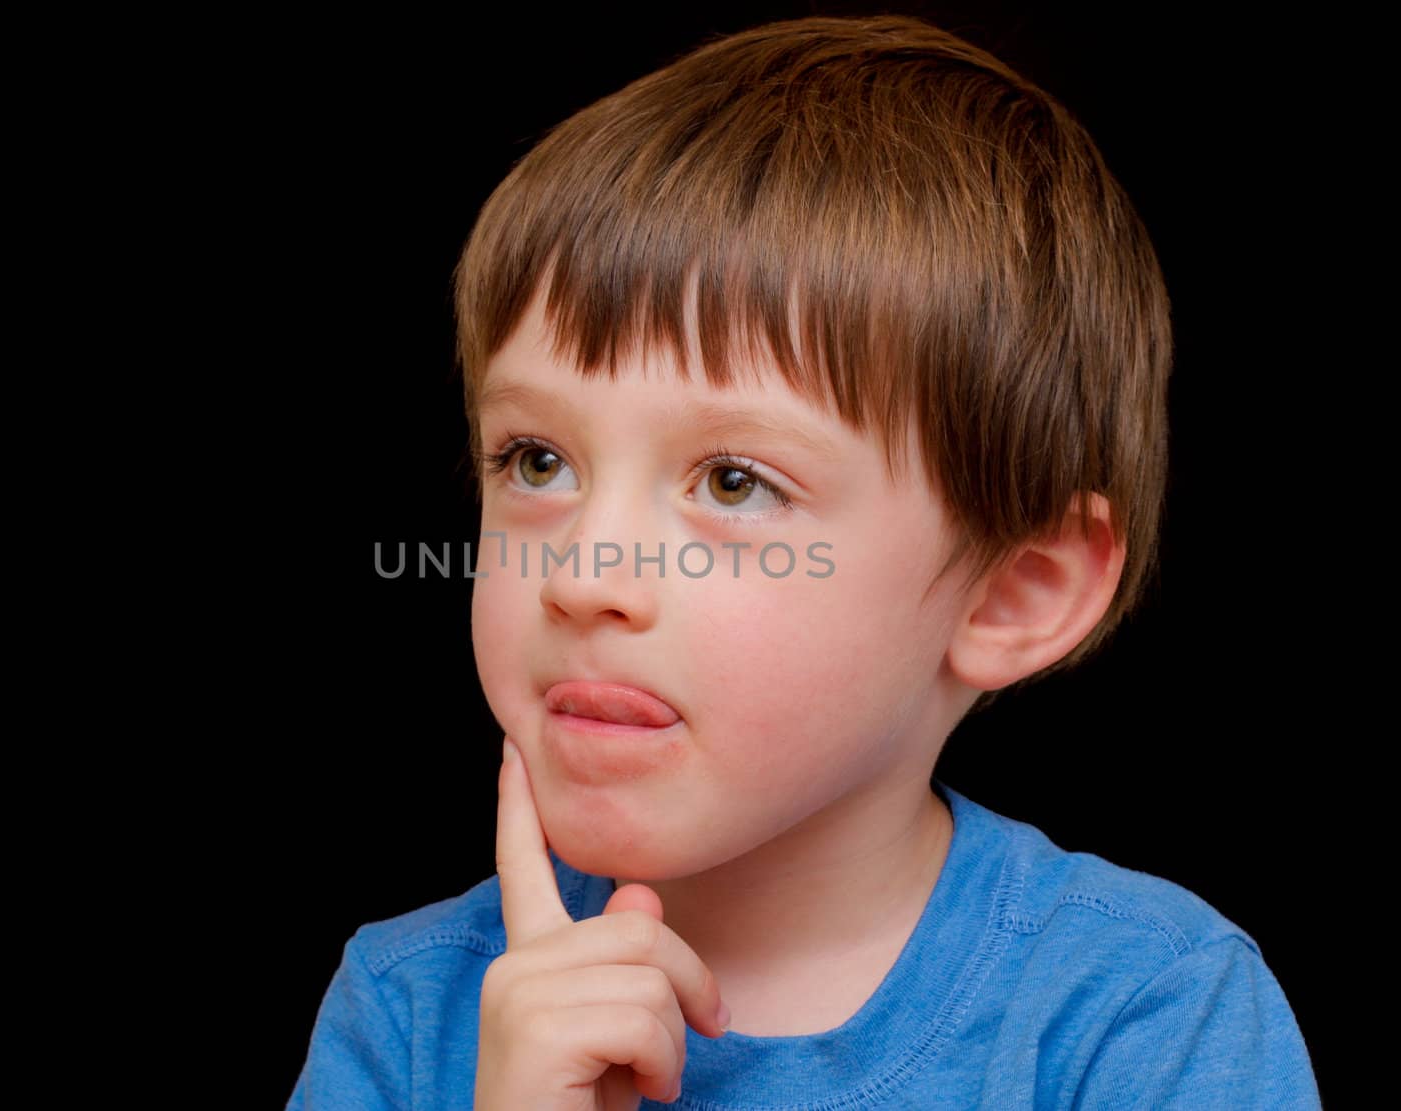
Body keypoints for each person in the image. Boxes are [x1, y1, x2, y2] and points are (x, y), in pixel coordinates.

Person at [287, 14, 1321, 1108]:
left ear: (1012, 592)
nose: (583, 575)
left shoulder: (1144, 1016)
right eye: (536, 460)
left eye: (733, 482)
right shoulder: (406, 1017)